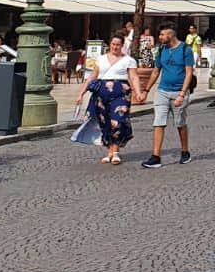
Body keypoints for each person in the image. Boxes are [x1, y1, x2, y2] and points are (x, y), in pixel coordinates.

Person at [76, 33, 140, 165]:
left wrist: (138, 92)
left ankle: (116, 152)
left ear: (122, 46)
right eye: (113, 44)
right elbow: (92, 76)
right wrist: (81, 93)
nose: (115, 47)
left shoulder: (129, 60)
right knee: (104, 121)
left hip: (121, 93)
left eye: (118, 45)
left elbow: (134, 77)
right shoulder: (101, 59)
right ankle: (109, 151)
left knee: (118, 120)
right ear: (109, 44)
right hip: (101, 93)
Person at [138, 23, 195, 168]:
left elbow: (189, 73)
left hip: (178, 92)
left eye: (162, 35)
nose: (160, 37)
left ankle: (185, 152)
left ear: (170, 35)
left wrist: (182, 94)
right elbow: (156, 71)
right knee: (159, 122)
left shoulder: (185, 50)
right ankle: (155, 156)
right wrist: (146, 90)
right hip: (162, 91)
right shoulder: (162, 49)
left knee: (180, 124)